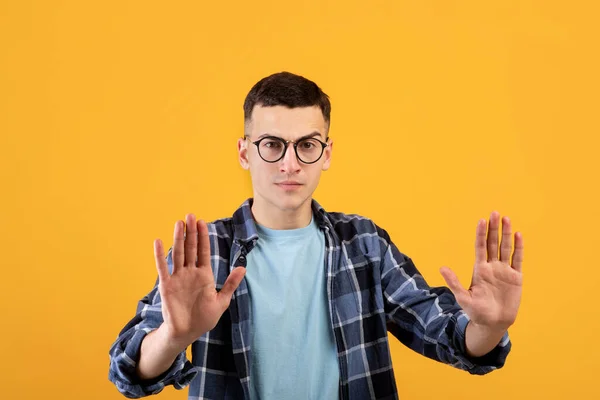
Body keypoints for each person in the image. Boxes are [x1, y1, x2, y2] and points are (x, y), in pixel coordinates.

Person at [108, 71, 524, 400]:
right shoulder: (209, 251)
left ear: (326, 153)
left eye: (306, 145)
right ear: (244, 152)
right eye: (272, 144)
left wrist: (489, 326)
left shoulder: (365, 245)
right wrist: (174, 336)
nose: (289, 164)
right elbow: (126, 372)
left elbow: (448, 337)